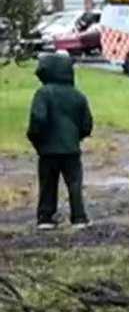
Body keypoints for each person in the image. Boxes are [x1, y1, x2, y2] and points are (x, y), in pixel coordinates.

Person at [26, 51, 93, 229]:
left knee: (48, 183)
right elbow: (87, 124)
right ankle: (79, 217)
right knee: (75, 184)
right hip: (71, 149)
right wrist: (75, 138)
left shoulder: (43, 94)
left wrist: (36, 138)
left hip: (47, 150)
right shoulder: (78, 96)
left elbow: (37, 119)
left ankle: (46, 217)